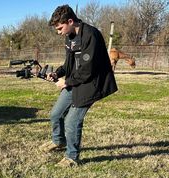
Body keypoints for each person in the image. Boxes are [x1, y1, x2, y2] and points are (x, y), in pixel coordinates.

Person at [39, 4, 118, 167]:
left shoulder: (91, 35)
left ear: (70, 21)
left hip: (92, 84)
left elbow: (88, 70)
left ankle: (72, 157)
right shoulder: (70, 37)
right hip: (76, 80)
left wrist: (66, 82)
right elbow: (69, 64)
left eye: (60, 28)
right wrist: (58, 74)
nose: (59, 32)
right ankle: (58, 141)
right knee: (56, 114)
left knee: (71, 121)